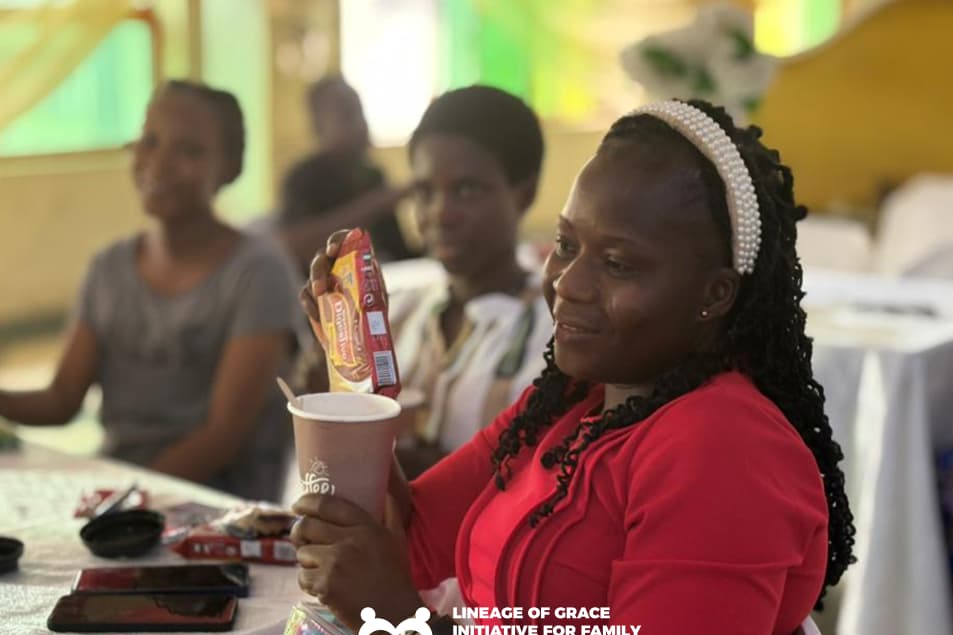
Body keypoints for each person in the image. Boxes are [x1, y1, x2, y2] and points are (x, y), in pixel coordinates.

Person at [293, 98, 857, 635]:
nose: (567, 283)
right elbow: (408, 547)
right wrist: (357, 385)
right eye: (565, 245)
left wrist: (399, 632)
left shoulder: (724, 451)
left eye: (617, 264)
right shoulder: (578, 402)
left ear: (714, 294)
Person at [0, 81, 301, 500]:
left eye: (189, 151)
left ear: (230, 168)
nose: (159, 164)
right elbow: (62, 399)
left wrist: (121, 499)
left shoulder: (258, 272)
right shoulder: (109, 268)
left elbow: (223, 436)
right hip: (121, 497)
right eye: (150, 141)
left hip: (219, 510)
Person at [382, 84, 550, 477]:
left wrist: (435, 473)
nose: (440, 213)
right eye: (424, 192)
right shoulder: (396, 314)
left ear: (524, 194)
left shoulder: (556, 334)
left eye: (467, 190)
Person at [277, 74, 411, 274]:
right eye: (347, 115)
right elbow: (294, 245)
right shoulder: (303, 178)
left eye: (361, 112)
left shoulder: (372, 175)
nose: (360, 124)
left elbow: (399, 254)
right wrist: (376, 204)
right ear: (319, 126)